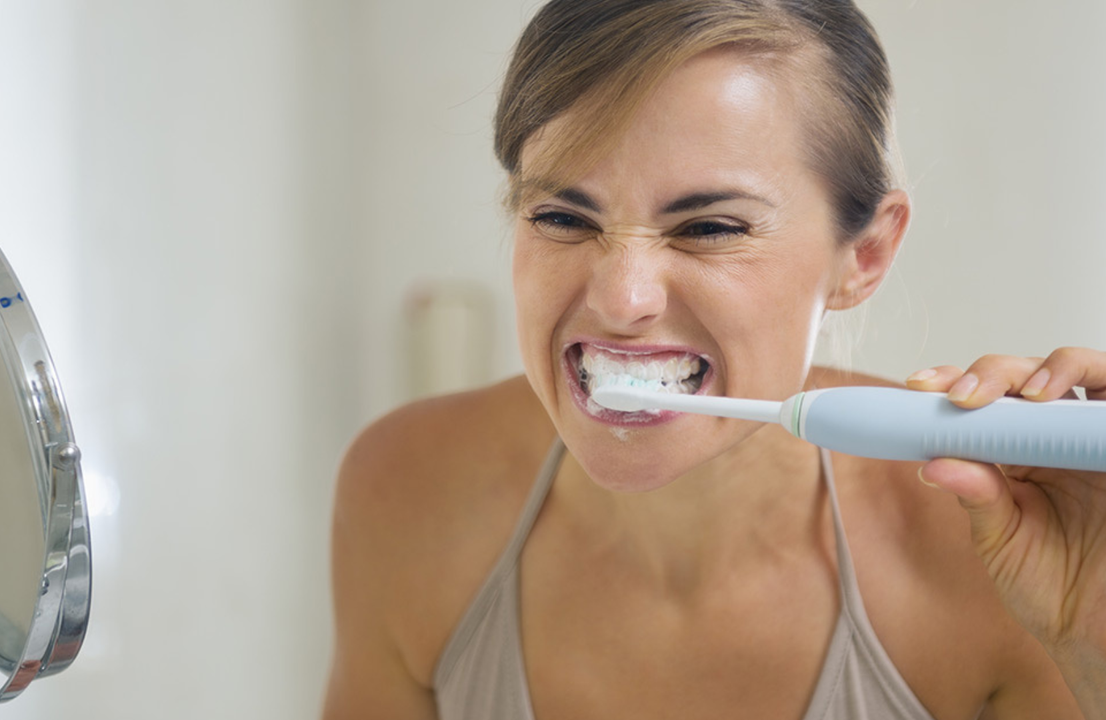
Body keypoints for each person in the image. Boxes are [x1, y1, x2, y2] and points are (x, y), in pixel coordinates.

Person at [322, 1, 1106, 718]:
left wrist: (1093, 649)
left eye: (711, 229)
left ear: (863, 255)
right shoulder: (406, 489)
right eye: (562, 215)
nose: (621, 299)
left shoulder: (990, 552)